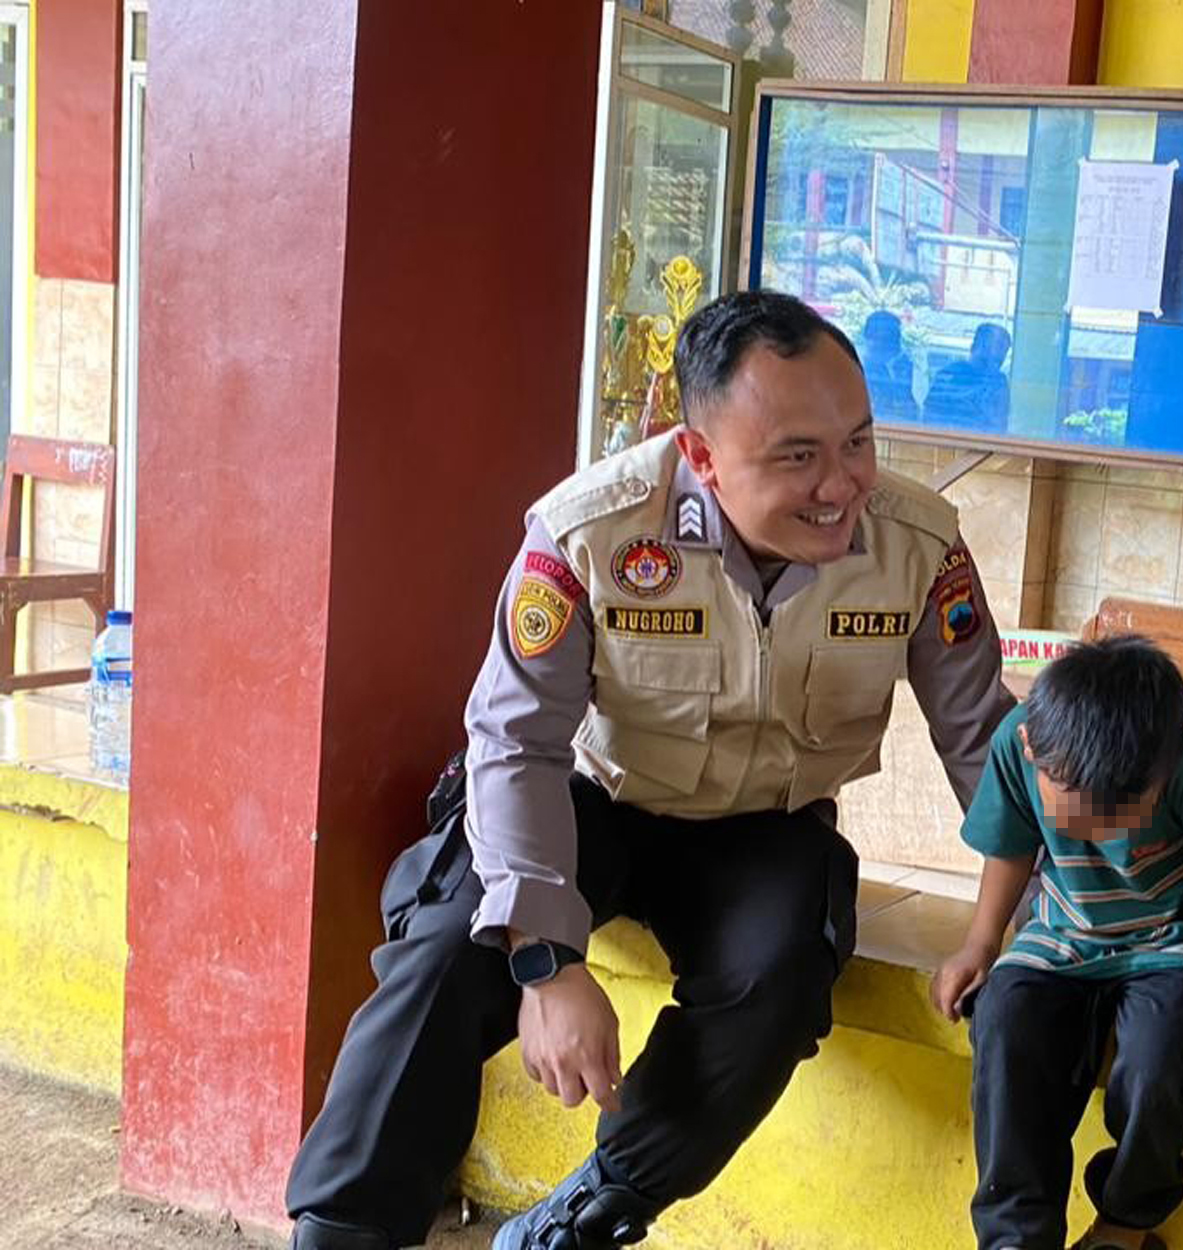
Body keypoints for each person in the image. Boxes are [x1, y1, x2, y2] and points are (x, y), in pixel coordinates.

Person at [284, 291, 1017, 1250]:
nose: (842, 485)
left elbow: (984, 741)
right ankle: (345, 1228)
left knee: (785, 974)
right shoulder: (591, 532)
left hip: (765, 823)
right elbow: (514, 743)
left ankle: (591, 1212)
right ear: (701, 456)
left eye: (859, 442)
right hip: (590, 799)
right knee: (450, 944)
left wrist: (1071, 908)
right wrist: (547, 962)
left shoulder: (917, 546)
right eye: (798, 456)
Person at [930, 636, 1183, 1250]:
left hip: (1172, 938)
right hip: (1064, 933)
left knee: (1159, 1058)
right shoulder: (1017, 742)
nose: (1105, 833)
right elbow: (1011, 847)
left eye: (1124, 816)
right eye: (1084, 818)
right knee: (1004, 1025)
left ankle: (1124, 1225)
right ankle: (1016, 1233)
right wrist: (980, 944)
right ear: (1033, 749)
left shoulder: (1175, 763)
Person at [923, 322, 1013, 436]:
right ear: (976, 346)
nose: (997, 357)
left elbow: (999, 426)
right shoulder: (948, 375)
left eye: (999, 358)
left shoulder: (999, 383)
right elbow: (929, 419)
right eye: (994, 348)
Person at [859, 309, 918, 423]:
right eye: (893, 340)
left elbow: (910, 411)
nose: (898, 347)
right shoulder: (857, 371)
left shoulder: (902, 367)